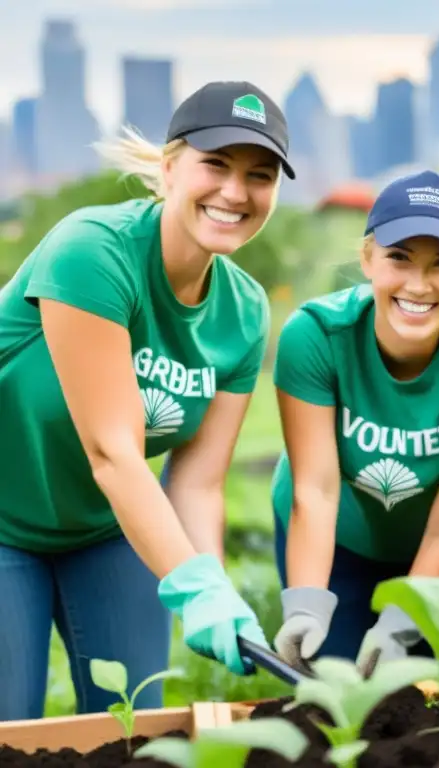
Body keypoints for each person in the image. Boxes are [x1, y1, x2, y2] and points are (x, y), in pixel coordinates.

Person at [0, 80, 291, 721]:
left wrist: (211, 582)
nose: (236, 192)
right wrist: (191, 585)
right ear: (167, 168)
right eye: (215, 164)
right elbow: (112, 453)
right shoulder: (93, 252)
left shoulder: (244, 313)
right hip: (4, 520)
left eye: (260, 175)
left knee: (132, 724)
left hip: (107, 529)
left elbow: (197, 480)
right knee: (9, 728)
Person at [269, 170, 439, 669]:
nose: (418, 284)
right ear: (368, 258)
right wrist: (306, 603)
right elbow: (315, 493)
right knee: (333, 701)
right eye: (399, 258)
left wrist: (399, 623)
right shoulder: (316, 336)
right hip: (335, 541)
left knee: (434, 703)